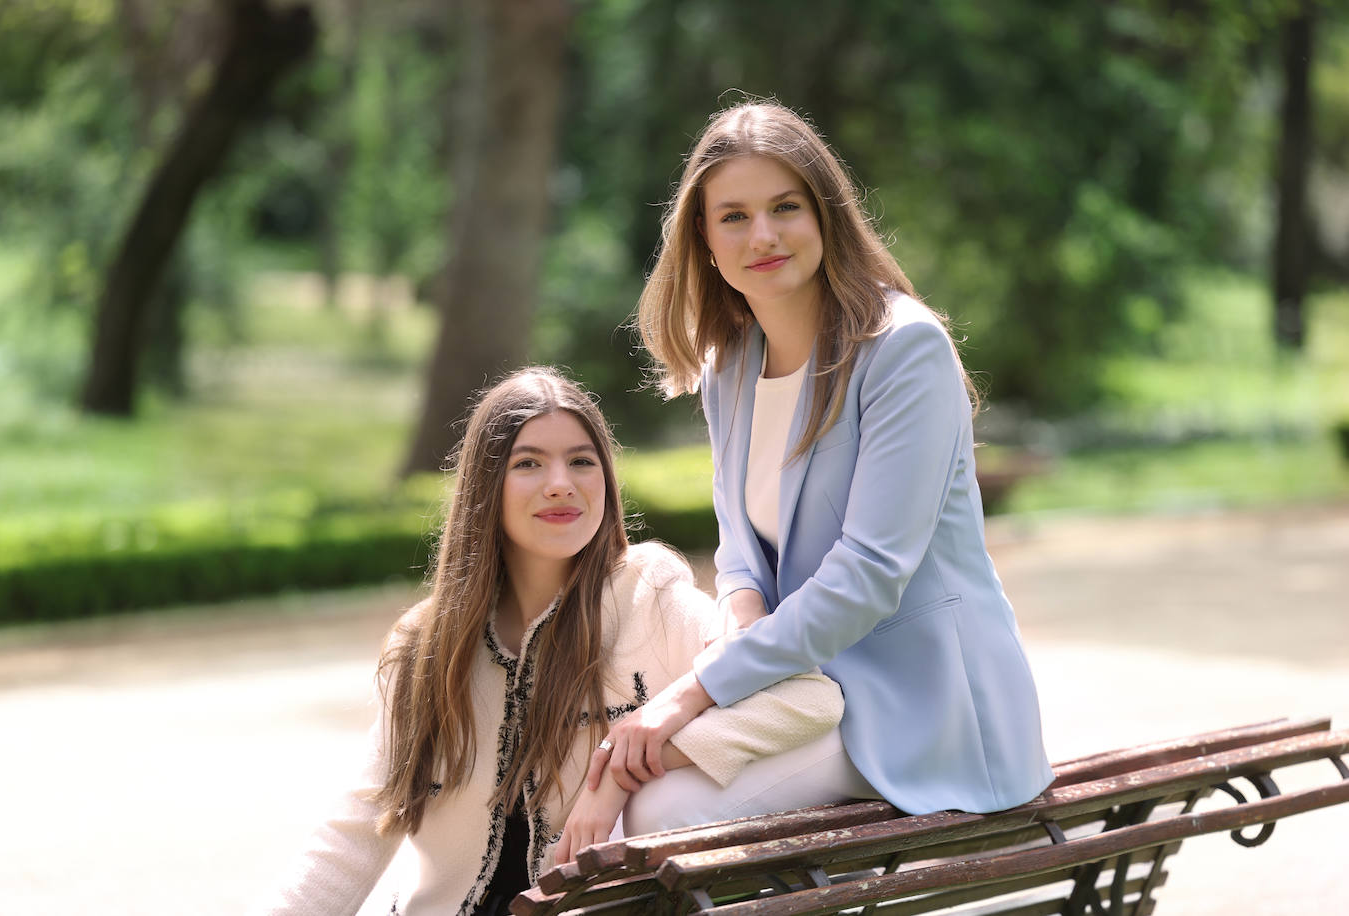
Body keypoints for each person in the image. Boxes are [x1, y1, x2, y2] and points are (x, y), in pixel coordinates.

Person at [592, 99, 1053, 820]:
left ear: (826, 214)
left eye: (785, 206)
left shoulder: (904, 351)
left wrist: (698, 691)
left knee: (663, 812)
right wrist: (739, 653)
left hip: (922, 705)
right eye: (735, 216)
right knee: (623, 778)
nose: (764, 234)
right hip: (799, 691)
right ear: (704, 238)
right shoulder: (729, 367)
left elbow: (869, 574)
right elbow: (741, 554)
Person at [254, 366, 844, 916]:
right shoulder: (428, 647)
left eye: (582, 462)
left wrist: (626, 765)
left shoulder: (651, 601)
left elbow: (807, 698)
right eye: (529, 464)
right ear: (487, 487)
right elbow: (359, 827)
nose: (561, 485)